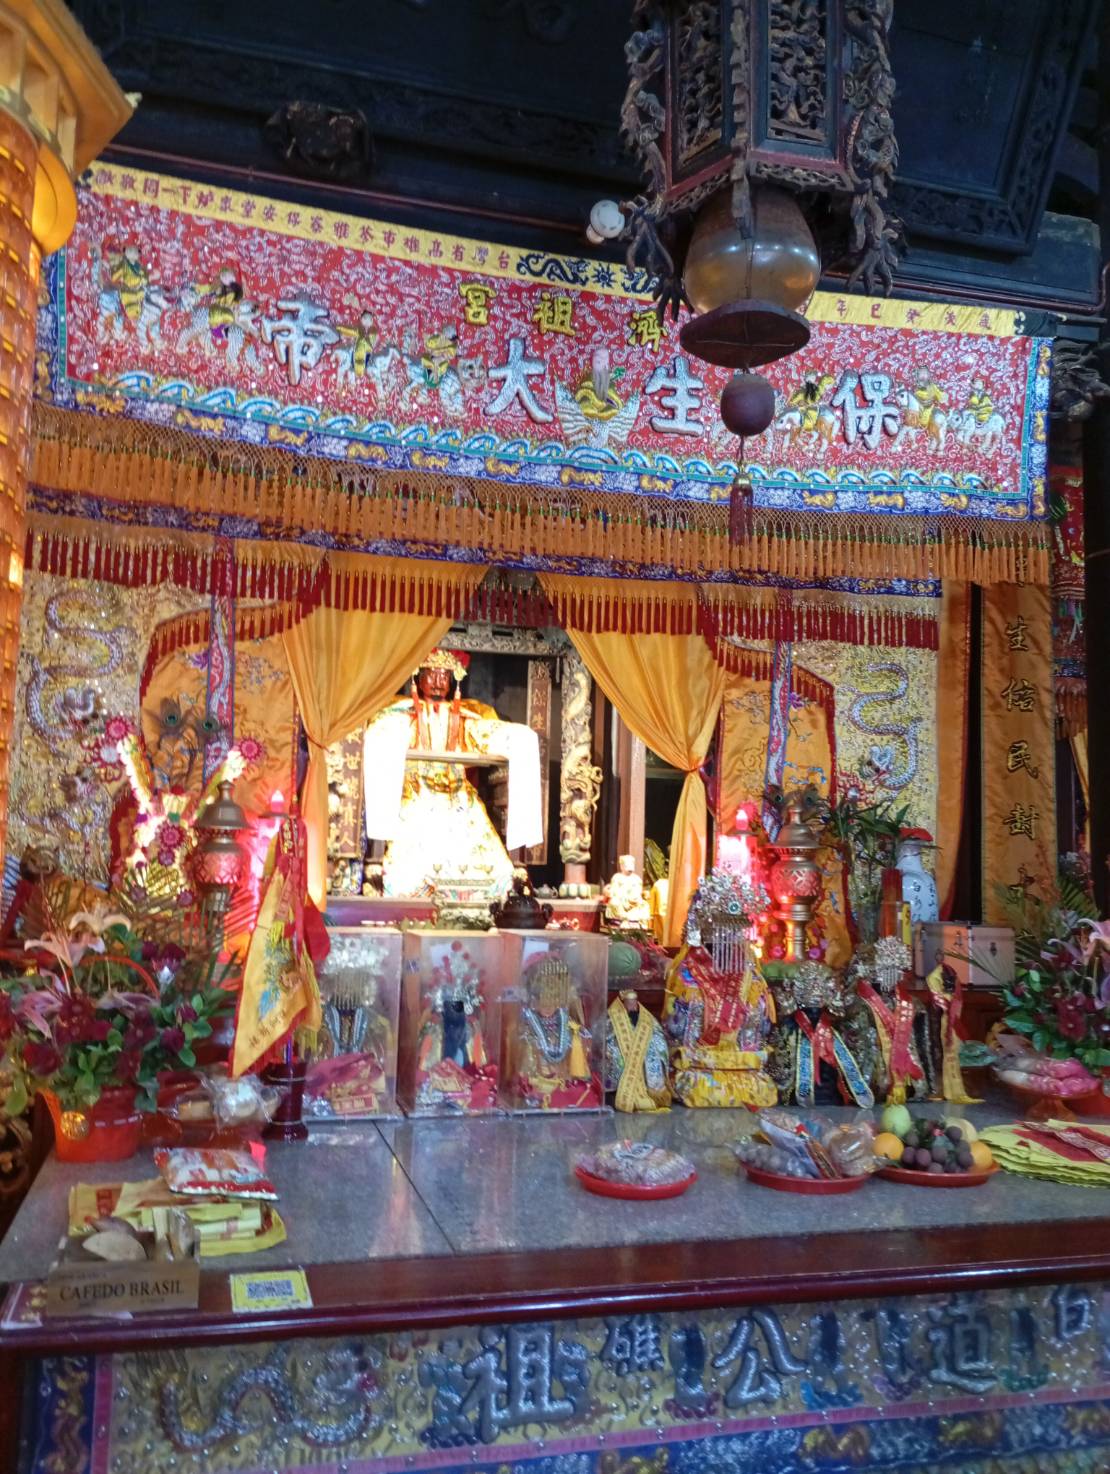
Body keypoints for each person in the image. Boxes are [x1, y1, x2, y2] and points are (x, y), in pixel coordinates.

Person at [362, 649, 542, 898]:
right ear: (418, 677)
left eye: (444, 676)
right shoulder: (401, 714)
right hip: (417, 794)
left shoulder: (465, 717)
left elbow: (483, 733)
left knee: (489, 863)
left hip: (456, 796)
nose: (438, 682)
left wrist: (519, 737)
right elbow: (383, 732)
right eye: (432, 674)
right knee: (409, 864)